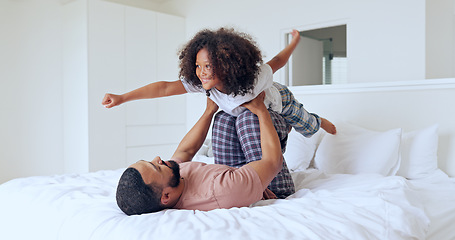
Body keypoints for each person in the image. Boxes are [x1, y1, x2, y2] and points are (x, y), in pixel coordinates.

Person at [102, 27, 337, 136]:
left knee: (306, 127)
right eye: (197, 65)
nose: (201, 72)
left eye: (208, 66)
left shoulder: (255, 79)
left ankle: (320, 120)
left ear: (227, 65)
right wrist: (123, 98)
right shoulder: (204, 82)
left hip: (279, 100)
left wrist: (294, 42)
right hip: (252, 115)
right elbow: (164, 87)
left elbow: (277, 60)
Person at [116, 93, 288, 215]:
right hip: (271, 186)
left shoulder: (172, 179)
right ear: (166, 196)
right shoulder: (219, 190)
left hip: (240, 175)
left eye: (150, 161)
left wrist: (209, 111)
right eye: (156, 167)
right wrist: (261, 110)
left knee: (222, 118)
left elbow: (186, 151)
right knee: (249, 118)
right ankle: (290, 125)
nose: (158, 159)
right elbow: (273, 161)